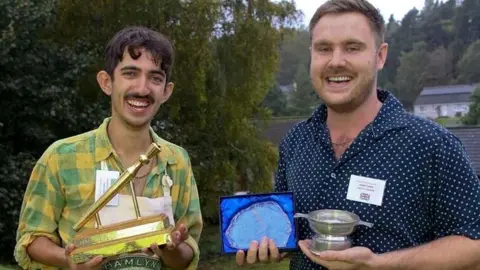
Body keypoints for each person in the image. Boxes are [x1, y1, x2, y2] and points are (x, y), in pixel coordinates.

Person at [236, 0, 480, 269]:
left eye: (352, 48)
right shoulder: (295, 142)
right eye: (324, 49)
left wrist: (379, 264)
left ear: (380, 56)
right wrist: (269, 241)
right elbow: (290, 231)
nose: (336, 61)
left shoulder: (433, 145)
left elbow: (474, 245)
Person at [14, 26, 203, 270]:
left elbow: (188, 250)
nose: (142, 89)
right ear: (106, 82)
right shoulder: (60, 157)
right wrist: (68, 260)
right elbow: (32, 238)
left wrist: (173, 249)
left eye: (155, 78)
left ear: (166, 91)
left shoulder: (177, 160)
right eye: (130, 73)